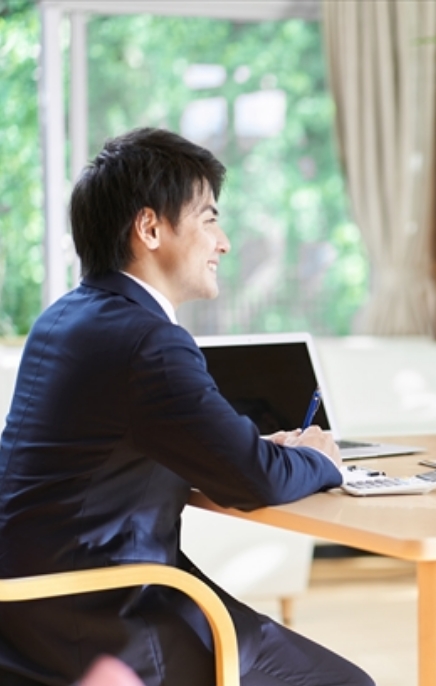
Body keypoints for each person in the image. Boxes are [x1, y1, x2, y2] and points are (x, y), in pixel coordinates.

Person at [0, 128, 374, 686]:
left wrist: (251, 449)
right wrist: (323, 458)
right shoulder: (148, 340)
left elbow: (127, 449)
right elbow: (256, 482)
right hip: (104, 614)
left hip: (30, 610)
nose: (222, 242)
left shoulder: (65, 318)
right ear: (150, 227)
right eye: (208, 219)